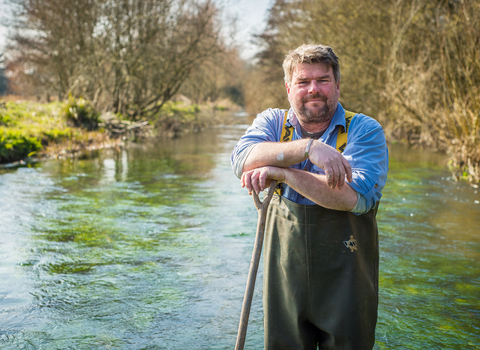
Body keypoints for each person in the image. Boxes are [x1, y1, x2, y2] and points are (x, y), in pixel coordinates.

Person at [231, 44, 389, 350]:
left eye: (323, 80)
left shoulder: (365, 130)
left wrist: (283, 173)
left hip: (348, 287)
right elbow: (242, 160)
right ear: (289, 88)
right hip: (284, 284)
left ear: (338, 86)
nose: (313, 89)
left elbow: (351, 198)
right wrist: (308, 149)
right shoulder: (273, 123)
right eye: (303, 82)